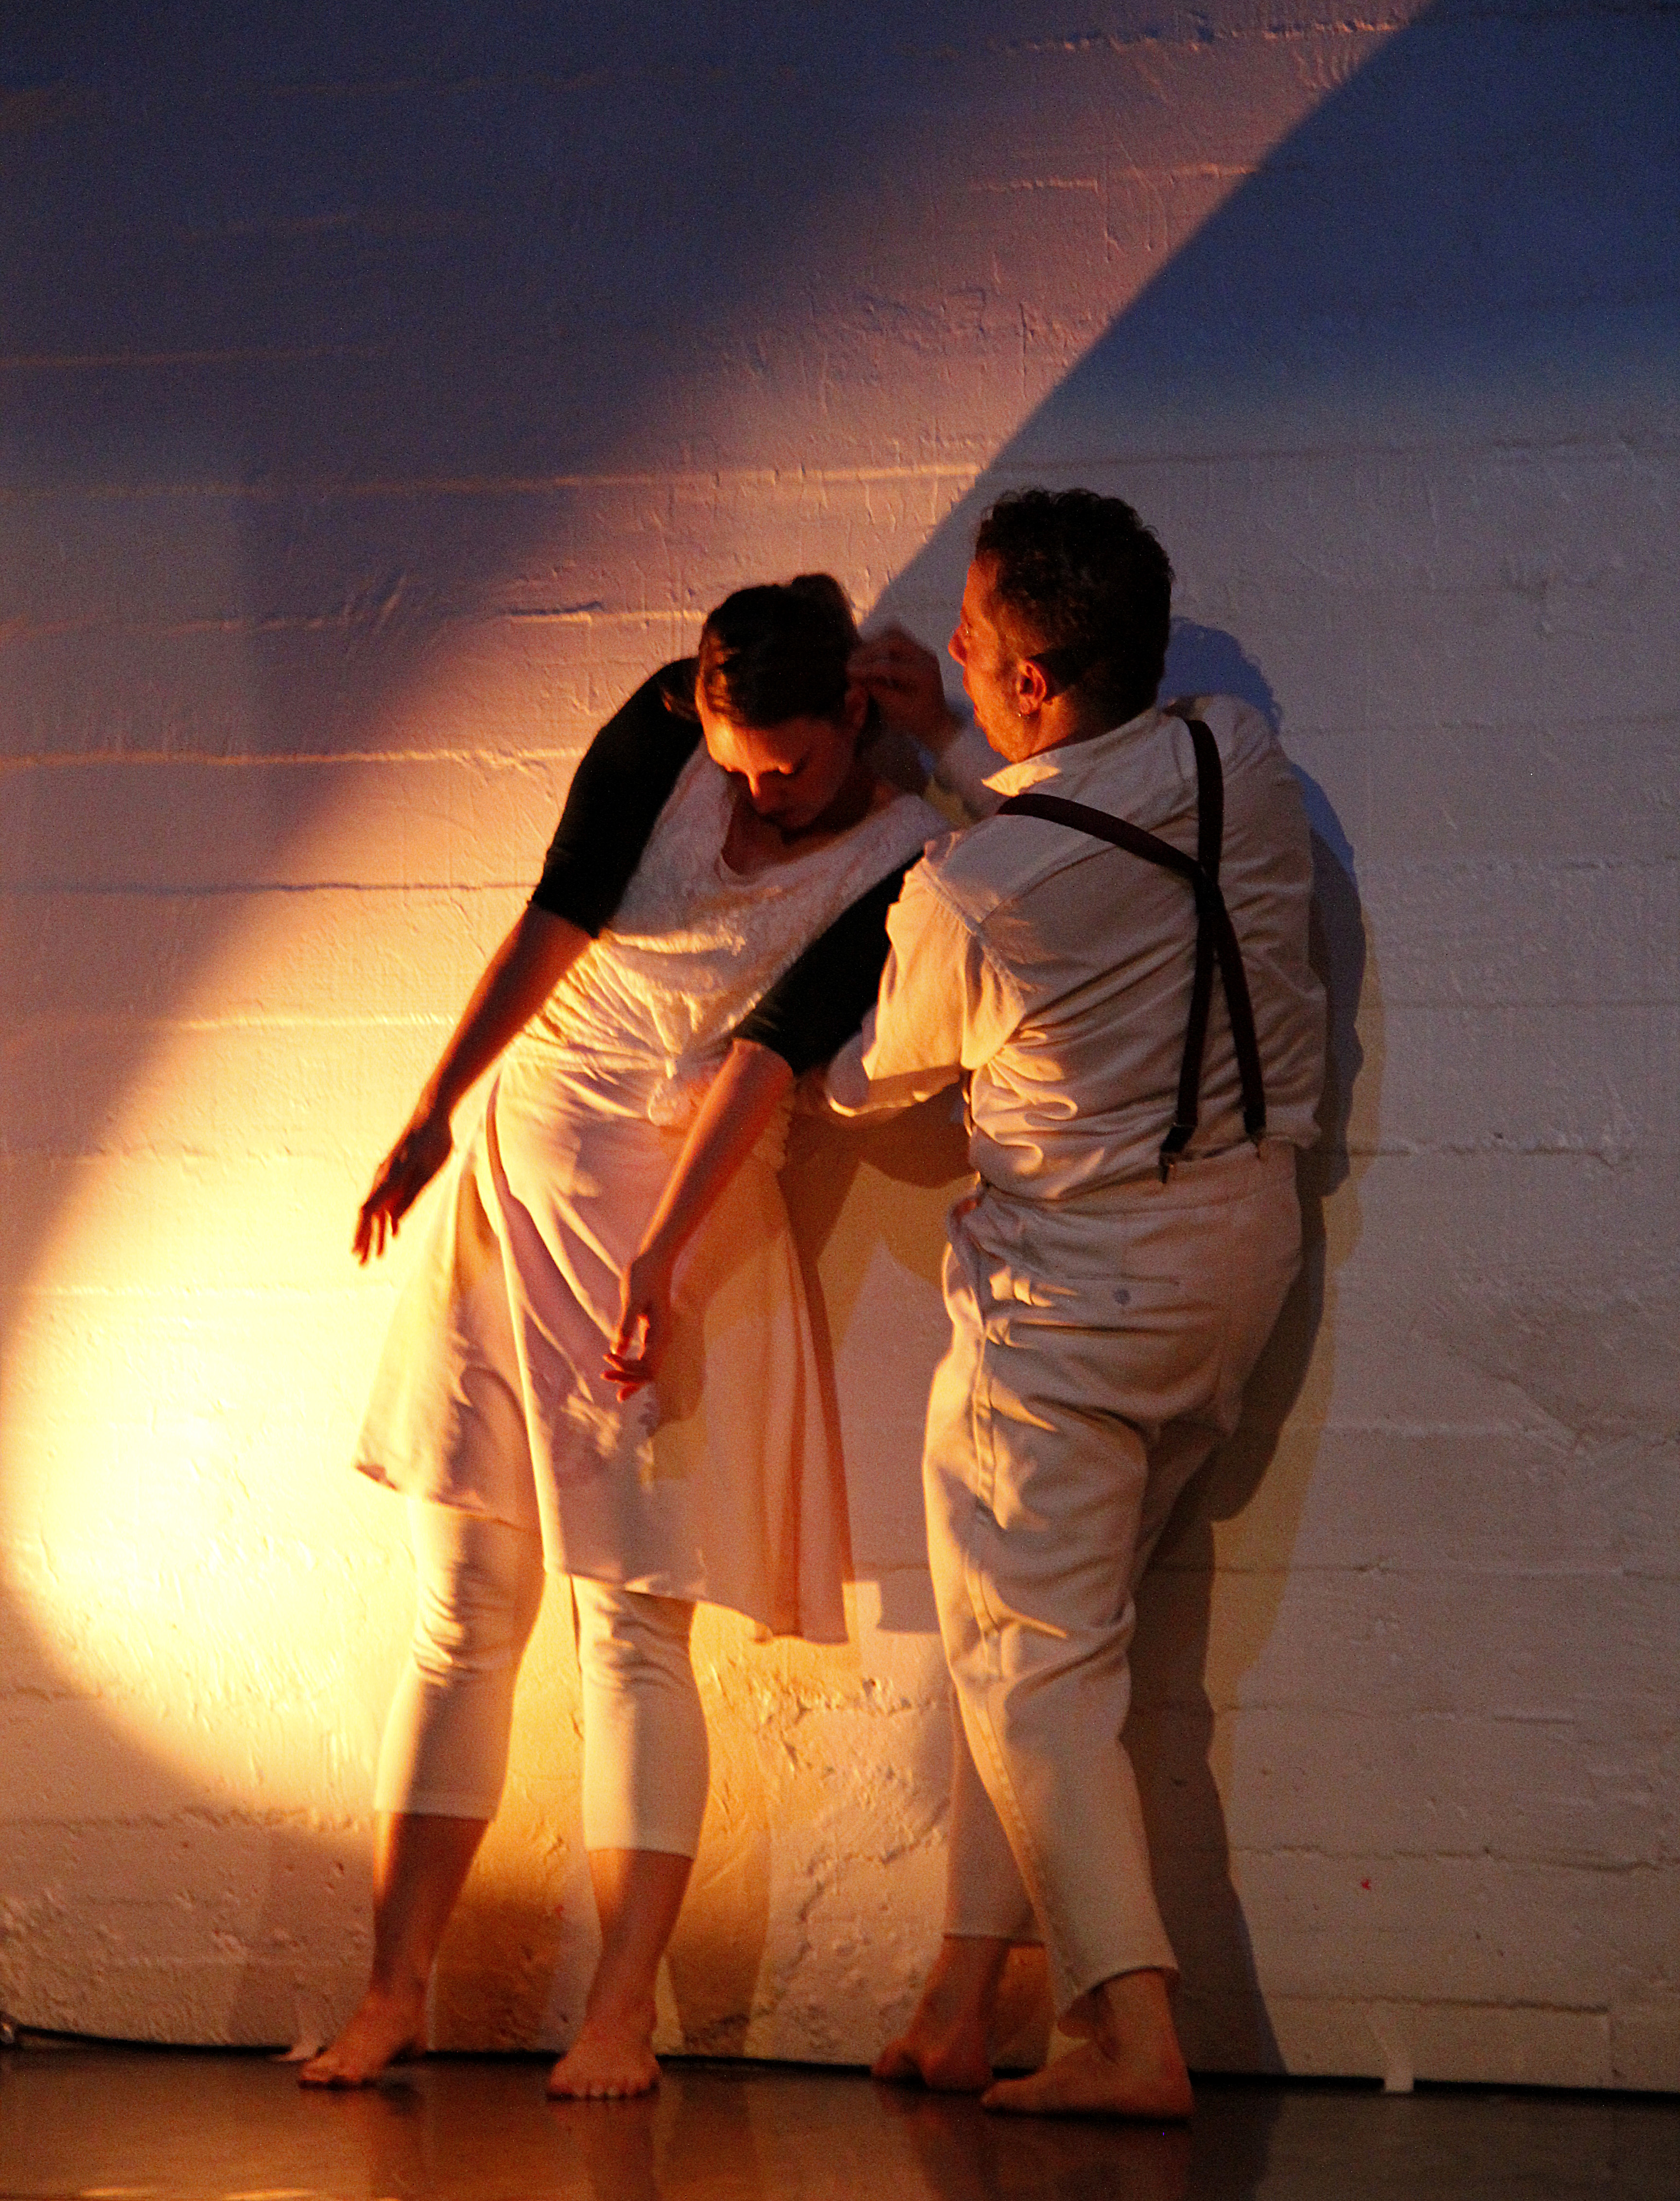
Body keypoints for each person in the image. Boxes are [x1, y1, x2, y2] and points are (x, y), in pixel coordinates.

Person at [302, 574, 944, 2098]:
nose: (761, 790)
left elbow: (778, 1046)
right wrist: (435, 1107)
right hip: (518, 1194)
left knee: (633, 1626)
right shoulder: (665, 729)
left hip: (678, 1224)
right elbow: (562, 908)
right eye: (739, 763)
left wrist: (659, 1254)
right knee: (464, 1602)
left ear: (853, 709)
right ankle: (392, 1989)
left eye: (788, 763)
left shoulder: (906, 849)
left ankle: (622, 2010)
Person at [834, 489, 1326, 2118]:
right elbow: (1094, 840)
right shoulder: (1236, 755)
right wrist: (950, 752)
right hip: (1240, 1260)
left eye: (972, 636)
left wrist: (912, 834)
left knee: (1029, 1663)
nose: (951, 648)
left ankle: (1128, 2032)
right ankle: (962, 1999)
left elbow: (879, 1071)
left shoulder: (971, 893)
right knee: (1043, 1652)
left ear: (1033, 680)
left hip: (1078, 1300)